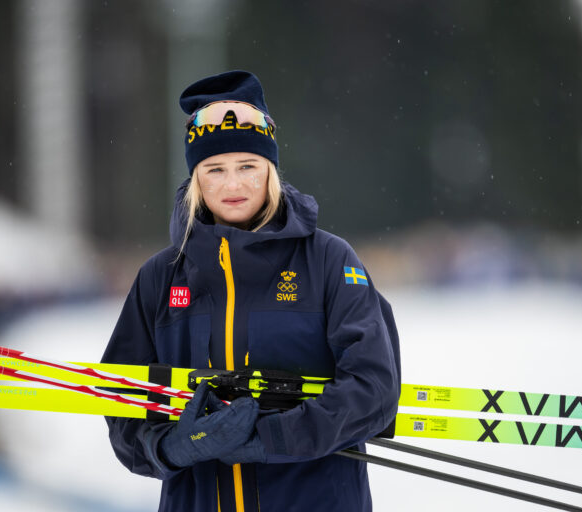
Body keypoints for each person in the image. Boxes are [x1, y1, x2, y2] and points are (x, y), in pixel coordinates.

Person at [101, 70, 401, 512]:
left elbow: (374, 389)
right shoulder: (160, 277)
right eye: (215, 169)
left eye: (248, 166)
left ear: (270, 170)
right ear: (196, 178)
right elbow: (119, 401)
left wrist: (271, 438)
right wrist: (172, 447)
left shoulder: (328, 260)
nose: (233, 185)